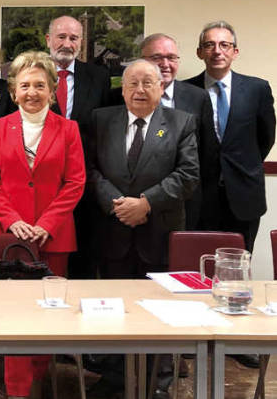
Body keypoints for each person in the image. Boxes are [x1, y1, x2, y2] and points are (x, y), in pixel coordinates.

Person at [88, 59, 199, 398]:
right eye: (132, 83)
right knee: (113, 307)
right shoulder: (100, 120)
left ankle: (159, 381)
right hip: (113, 230)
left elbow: (188, 174)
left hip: (159, 231)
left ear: (161, 87)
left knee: (158, 310)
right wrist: (116, 203)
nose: (139, 90)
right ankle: (114, 377)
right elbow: (89, 168)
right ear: (122, 90)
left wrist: (146, 203)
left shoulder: (181, 123)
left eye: (148, 83)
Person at [0, 50, 85, 399]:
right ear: (13, 92)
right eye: (25, 85)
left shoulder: (68, 129)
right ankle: (18, 390)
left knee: (47, 316)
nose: (32, 92)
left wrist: (46, 223)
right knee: (15, 318)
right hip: (10, 238)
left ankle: (41, 381)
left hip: (52, 239)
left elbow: (75, 182)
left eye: (40, 85)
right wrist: (14, 221)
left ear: (52, 91)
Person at [186, 21, 275, 251]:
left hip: (244, 195)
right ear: (199, 52)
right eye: (210, 45)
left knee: (238, 266)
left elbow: (266, 138)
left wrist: (241, 163)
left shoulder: (257, 89)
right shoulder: (185, 91)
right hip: (198, 196)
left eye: (224, 45)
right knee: (197, 266)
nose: (217, 51)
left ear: (235, 52)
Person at [45, 15, 110, 280]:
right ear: (48, 39)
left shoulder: (99, 78)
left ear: (81, 43)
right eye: (61, 36)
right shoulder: (33, 76)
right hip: (42, 180)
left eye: (74, 38)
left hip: (84, 182)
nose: (67, 43)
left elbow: (104, 129)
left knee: (84, 256)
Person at [139, 34, 217, 230]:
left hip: (183, 203)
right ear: (142, 61)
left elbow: (207, 153)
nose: (165, 64)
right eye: (157, 57)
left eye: (172, 57)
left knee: (180, 259)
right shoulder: (121, 96)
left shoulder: (197, 97)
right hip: (134, 202)